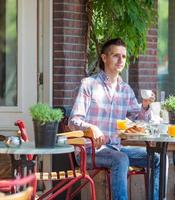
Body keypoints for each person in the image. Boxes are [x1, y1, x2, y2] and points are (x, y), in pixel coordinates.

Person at [68, 38, 160, 200]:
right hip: (89, 151)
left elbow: (138, 119)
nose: (121, 60)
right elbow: (73, 121)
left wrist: (145, 106)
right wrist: (91, 128)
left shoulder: (125, 90)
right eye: (116, 55)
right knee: (121, 159)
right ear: (104, 58)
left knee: (157, 158)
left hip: (116, 148)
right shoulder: (89, 84)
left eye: (124, 56)